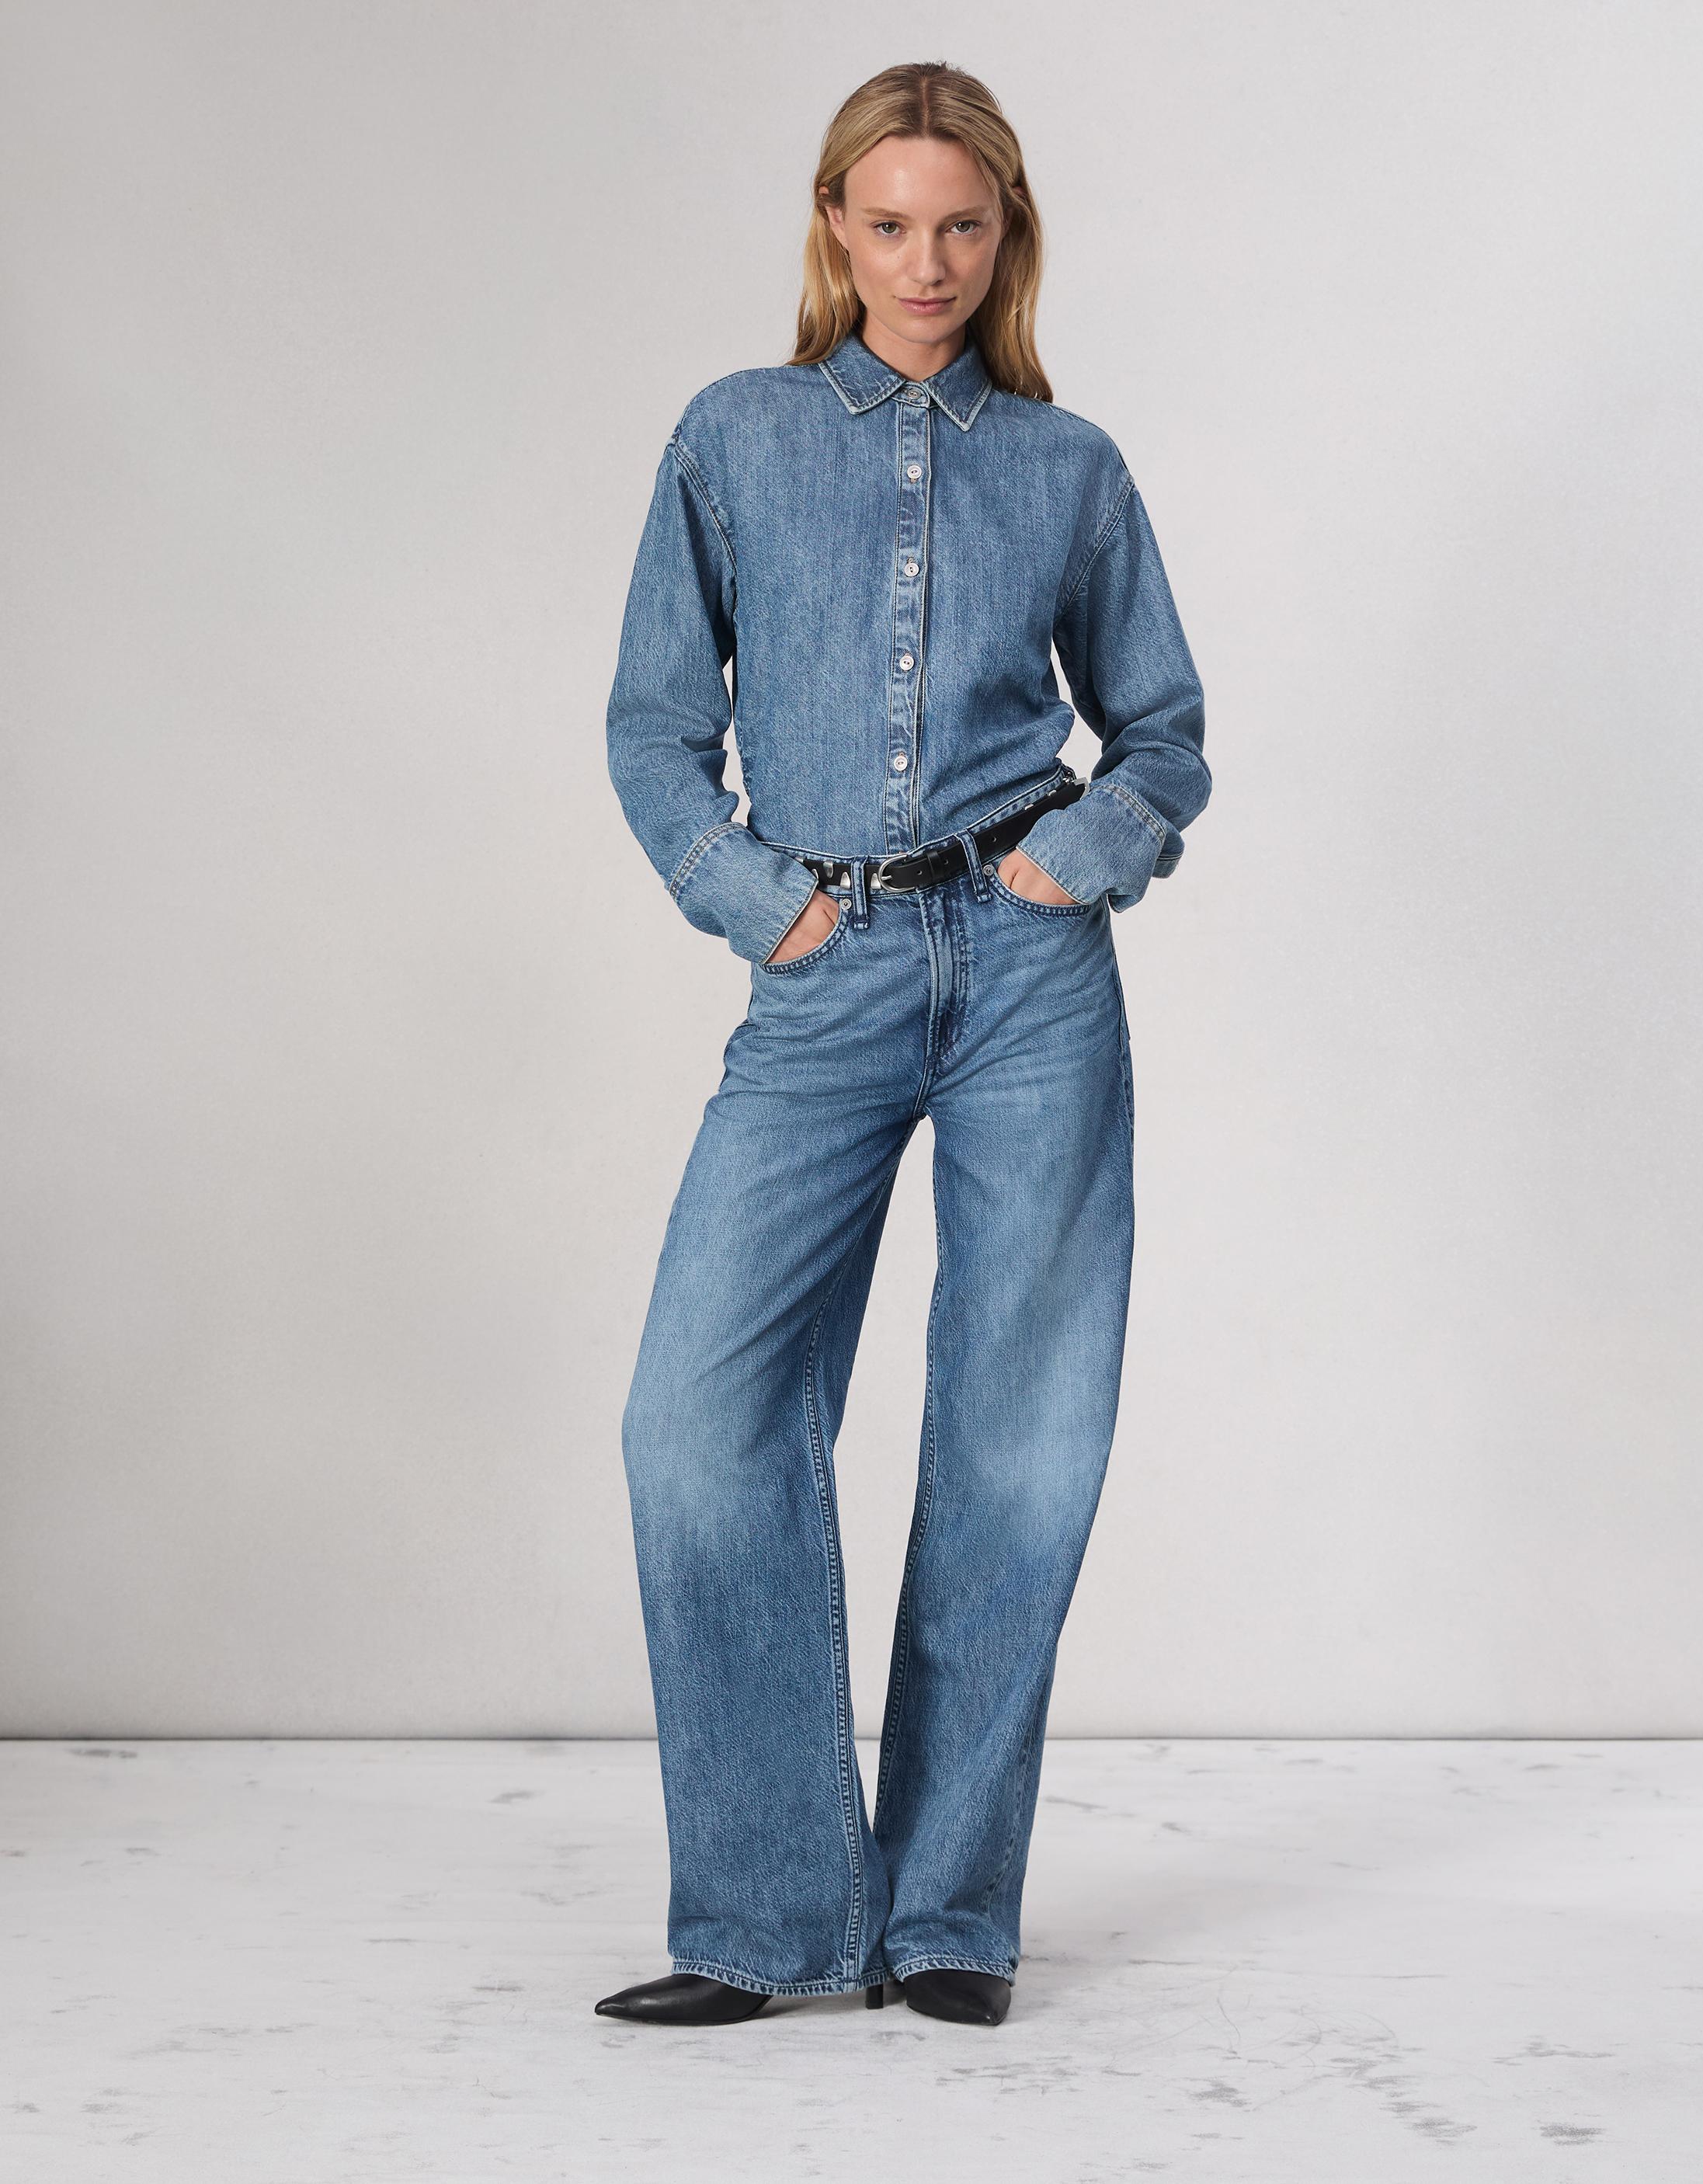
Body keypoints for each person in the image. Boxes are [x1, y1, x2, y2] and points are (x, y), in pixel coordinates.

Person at [595, 59, 1210, 2029]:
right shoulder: (735, 434)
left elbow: (1166, 731)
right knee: (697, 1420)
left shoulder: (1072, 467)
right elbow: (652, 725)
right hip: (827, 966)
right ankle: (771, 1913)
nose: (925, 262)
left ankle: (947, 1911)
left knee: (1020, 1430)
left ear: (1005, 232)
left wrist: (1079, 859)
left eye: (960, 224)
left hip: (1032, 977)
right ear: (833, 227)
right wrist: (754, 894)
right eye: (888, 223)